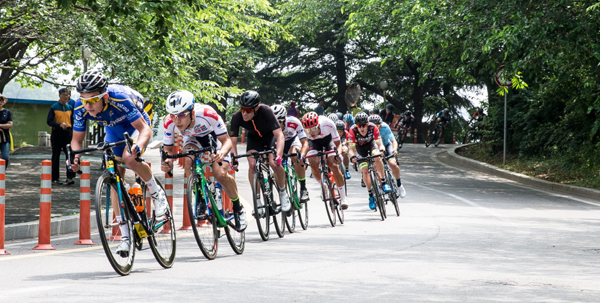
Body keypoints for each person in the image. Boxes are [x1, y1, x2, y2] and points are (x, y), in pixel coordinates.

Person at [69, 70, 169, 256]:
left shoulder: (120, 98)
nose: (87, 105)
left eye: (92, 100)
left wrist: (138, 146)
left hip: (137, 121)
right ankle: (125, 236)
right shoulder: (80, 107)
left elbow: (144, 130)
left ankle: (157, 193)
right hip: (113, 126)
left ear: (104, 96)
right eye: (84, 100)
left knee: (129, 158)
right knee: (115, 177)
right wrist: (75, 157)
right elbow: (76, 140)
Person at [160, 90, 246, 231]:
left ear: (192, 113)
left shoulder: (207, 114)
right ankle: (199, 198)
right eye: (173, 116)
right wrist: (168, 161)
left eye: (181, 115)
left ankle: (238, 208)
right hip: (193, 139)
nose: (177, 120)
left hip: (214, 138)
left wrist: (221, 153)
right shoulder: (169, 122)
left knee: (220, 174)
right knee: (188, 160)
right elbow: (168, 149)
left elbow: (226, 141)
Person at [229, 90, 290, 212]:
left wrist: (278, 154)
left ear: (256, 108)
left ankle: (283, 194)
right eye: (242, 109)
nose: (245, 113)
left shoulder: (266, 111)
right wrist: (234, 159)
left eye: (248, 110)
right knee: (252, 165)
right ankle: (257, 200)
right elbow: (233, 142)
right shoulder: (237, 117)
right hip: (254, 139)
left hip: (269, 137)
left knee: (274, 163)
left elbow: (279, 136)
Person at [300, 112, 348, 209]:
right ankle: (323, 185)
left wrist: (338, 155)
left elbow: (338, 144)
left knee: (333, 165)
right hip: (313, 143)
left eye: (313, 129)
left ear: (318, 125)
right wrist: (302, 159)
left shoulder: (328, 123)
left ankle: (343, 197)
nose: (311, 132)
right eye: (308, 130)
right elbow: (303, 145)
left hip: (328, 140)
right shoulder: (304, 131)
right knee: (313, 163)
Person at [348, 112, 390, 210]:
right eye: (359, 126)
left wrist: (382, 150)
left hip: (372, 145)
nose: (362, 128)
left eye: (364, 125)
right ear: (356, 125)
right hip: (360, 149)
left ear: (368, 124)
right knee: (365, 170)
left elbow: (379, 143)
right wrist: (352, 157)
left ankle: (383, 182)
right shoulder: (352, 131)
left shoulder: (373, 127)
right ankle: (371, 195)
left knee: (376, 157)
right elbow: (351, 148)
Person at [271, 104, 310, 202]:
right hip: (279, 142)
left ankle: (303, 188)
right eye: (273, 122)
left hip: (293, 140)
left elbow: (305, 142)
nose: (276, 125)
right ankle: (283, 195)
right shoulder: (269, 126)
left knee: (295, 155)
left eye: (278, 122)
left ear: (284, 119)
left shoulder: (294, 122)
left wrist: (302, 156)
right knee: (276, 165)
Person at [368, 115, 406, 198]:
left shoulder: (385, 127)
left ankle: (399, 185)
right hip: (375, 148)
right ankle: (382, 186)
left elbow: (393, 141)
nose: (376, 128)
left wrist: (395, 150)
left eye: (378, 125)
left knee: (393, 164)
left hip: (386, 145)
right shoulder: (368, 130)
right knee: (376, 166)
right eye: (374, 126)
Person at [47, 88, 76, 185]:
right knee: (56, 155)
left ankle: (70, 177)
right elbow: (49, 121)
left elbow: (73, 121)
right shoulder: (54, 107)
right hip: (57, 133)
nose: (66, 97)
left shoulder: (70, 107)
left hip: (67, 133)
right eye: (64, 94)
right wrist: (59, 125)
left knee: (69, 155)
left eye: (67, 95)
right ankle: (55, 178)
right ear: (59, 95)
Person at [0, 94, 12, 168]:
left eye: (1, 100)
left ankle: (2, 172)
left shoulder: (7, 112)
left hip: (4, 138)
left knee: (5, 157)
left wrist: (0, 125)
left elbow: (10, 124)